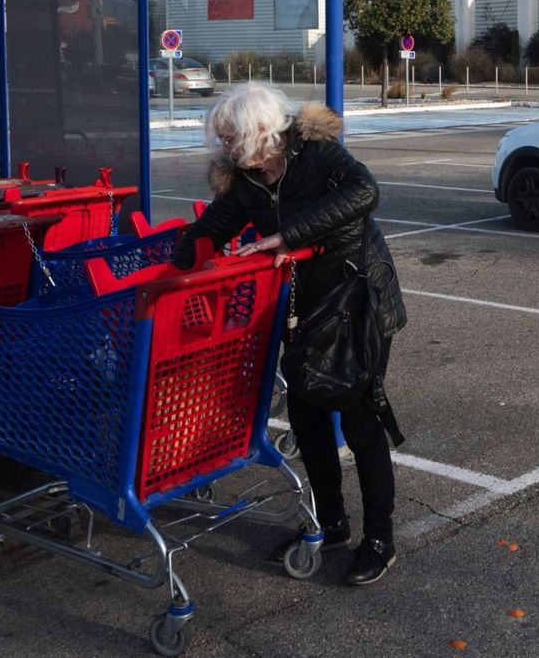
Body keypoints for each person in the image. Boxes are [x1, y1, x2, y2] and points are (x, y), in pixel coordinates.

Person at [170, 81, 407, 586]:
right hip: (303, 308)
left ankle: (380, 538)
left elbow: (366, 193)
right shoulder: (247, 181)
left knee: (360, 417)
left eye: (231, 137)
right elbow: (210, 230)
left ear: (261, 130)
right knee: (306, 414)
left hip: (356, 297)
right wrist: (165, 276)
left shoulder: (319, 154)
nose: (224, 148)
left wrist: (288, 235)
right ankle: (331, 522)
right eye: (222, 139)